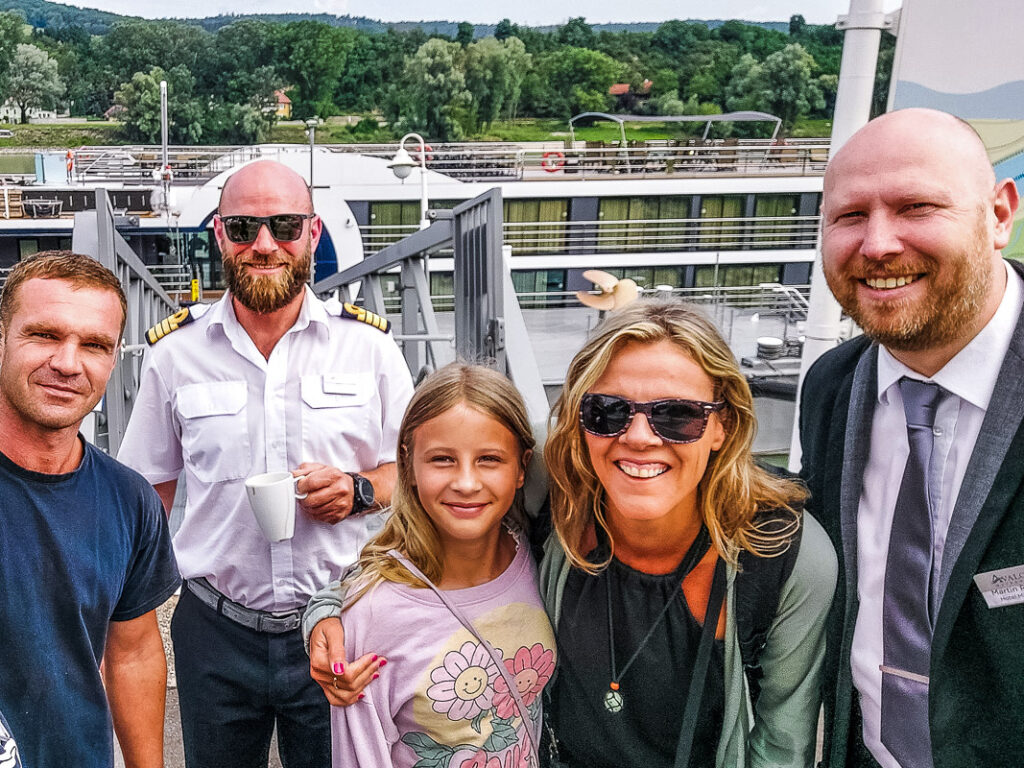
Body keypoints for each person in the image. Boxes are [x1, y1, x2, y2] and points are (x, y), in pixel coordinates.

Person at [308, 300, 837, 768]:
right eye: (607, 411)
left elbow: (781, 744)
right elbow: (438, 517)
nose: (639, 437)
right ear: (579, 421)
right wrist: (327, 610)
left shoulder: (785, 555)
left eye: (677, 415)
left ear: (724, 424)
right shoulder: (553, 482)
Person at [118, 159, 414, 768]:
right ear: (220, 235)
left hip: (345, 618)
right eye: (245, 227)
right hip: (214, 631)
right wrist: (114, 612)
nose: (264, 244)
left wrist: (360, 490)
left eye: (282, 225)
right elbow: (146, 492)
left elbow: (412, 474)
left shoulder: (371, 350)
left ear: (310, 233)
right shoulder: (174, 356)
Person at [799, 107, 1024, 767]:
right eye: (848, 217)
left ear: (1000, 215)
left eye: (916, 206)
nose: (877, 245)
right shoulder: (832, 387)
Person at [0, 251, 179, 768]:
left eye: (94, 345)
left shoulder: (129, 500)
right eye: (44, 335)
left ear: (113, 360)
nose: (68, 362)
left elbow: (133, 653)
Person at [329, 363, 555, 768]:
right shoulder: (373, 614)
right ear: (408, 466)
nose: (466, 482)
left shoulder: (538, 558)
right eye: (442, 460)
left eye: (489, 459)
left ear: (522, 468)